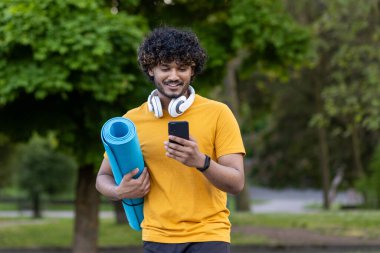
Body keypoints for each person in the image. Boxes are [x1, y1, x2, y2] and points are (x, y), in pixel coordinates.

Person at [96, 27, 245, 253]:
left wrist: (201, 161)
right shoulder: (131, 121)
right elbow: (102, 177)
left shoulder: (218, 113)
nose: (174, 76)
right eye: (165, 68)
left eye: (182, 68)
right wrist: (120, 191)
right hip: (156, 238)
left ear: (192, 71)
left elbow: (236, 183)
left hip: (209, 236)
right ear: (151, 70)